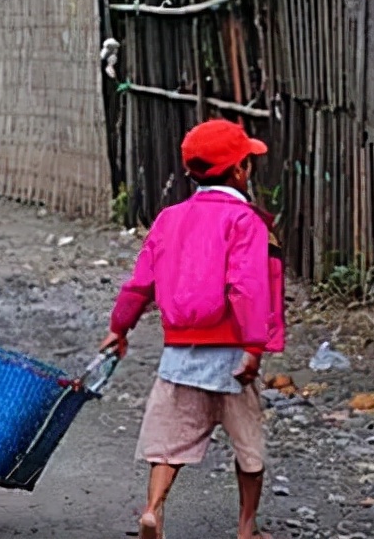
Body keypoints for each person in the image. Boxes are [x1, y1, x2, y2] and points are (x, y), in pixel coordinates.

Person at [101, 119, 286, 539]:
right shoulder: (247, 221)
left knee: (168, 444)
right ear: (239, 170)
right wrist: (254, 346)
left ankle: (153, 510)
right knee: (249, 449)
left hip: (180, 354)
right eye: (248, 162)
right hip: (233, 352)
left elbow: (140, 283)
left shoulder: (169, 218)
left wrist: (119, 327)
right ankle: (247, 528)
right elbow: (247, 287)